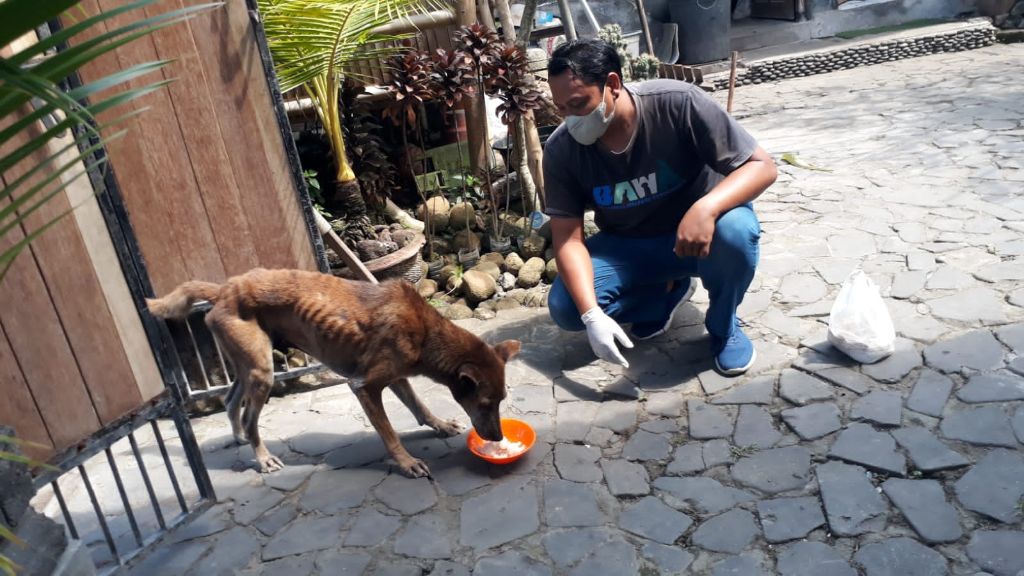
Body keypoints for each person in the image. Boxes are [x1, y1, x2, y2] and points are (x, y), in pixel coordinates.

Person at [543, 38, 777, 376]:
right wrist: (592, 315)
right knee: (567, 307)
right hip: (629, 246)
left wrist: (707, 208)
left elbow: (762, 166)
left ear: (612, 84)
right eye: (561, 107)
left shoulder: (677, 103)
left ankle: (724, 326)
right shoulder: (562, 150)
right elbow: (567, 238)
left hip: (700, 236)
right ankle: (665, 292)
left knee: (737, 232)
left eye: (579, 104)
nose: (570, 118)